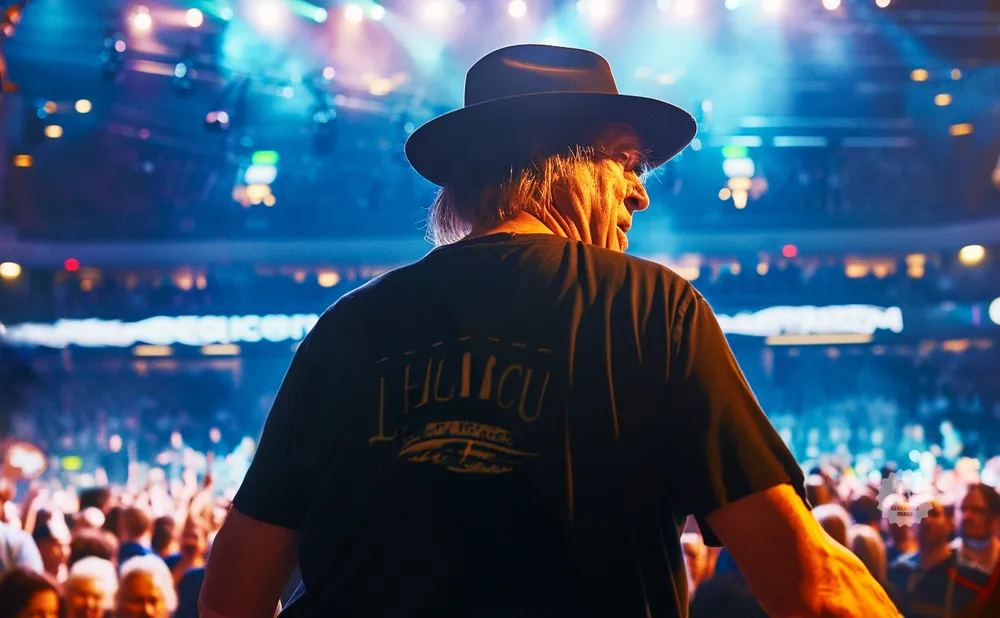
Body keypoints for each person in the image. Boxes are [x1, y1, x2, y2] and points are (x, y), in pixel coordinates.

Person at [200, 44, 900, 618]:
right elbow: (809, 587)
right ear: (555, 156)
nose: (640, 191)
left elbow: (233, 594)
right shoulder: (652, 309)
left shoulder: (346, 327)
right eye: (625, 161)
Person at [887, 499, 990, 618]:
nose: (926, 520)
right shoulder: (897, 571)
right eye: (920, 514)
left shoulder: (971, 579)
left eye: (934, 514)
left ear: (950, 523)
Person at [954, 483, 1000, 573]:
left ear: (996, 519)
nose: (966, 516)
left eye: (977, 510)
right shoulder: (944, 561)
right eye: (962, 509)